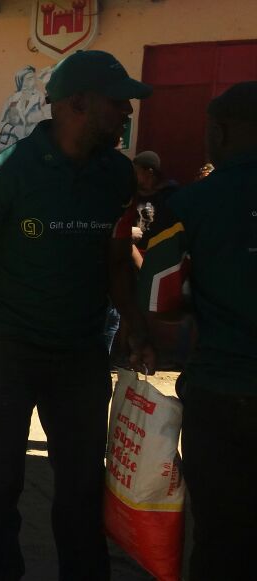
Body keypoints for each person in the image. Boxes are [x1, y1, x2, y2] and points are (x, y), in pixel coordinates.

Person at [0, 50, 156, 581]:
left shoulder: (114, 174)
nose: (128, 113)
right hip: (8, 354)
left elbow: (113, 258)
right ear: (78, 104)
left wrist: (132, 321)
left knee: (84, 485)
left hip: (81, 356)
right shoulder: (5, 173)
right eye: (119, 102)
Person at [138, 81, 257, 581]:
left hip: (221, 394)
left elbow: (156, 302)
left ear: (219, 132)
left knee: (220, 535)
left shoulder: (192, 205)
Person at [128, 150, 179, 267]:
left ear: (149, 172)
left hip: (160, 259)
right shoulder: (131, 195)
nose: (132, 176)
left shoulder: (168, 195)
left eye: (136, 171)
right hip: (134, 256)